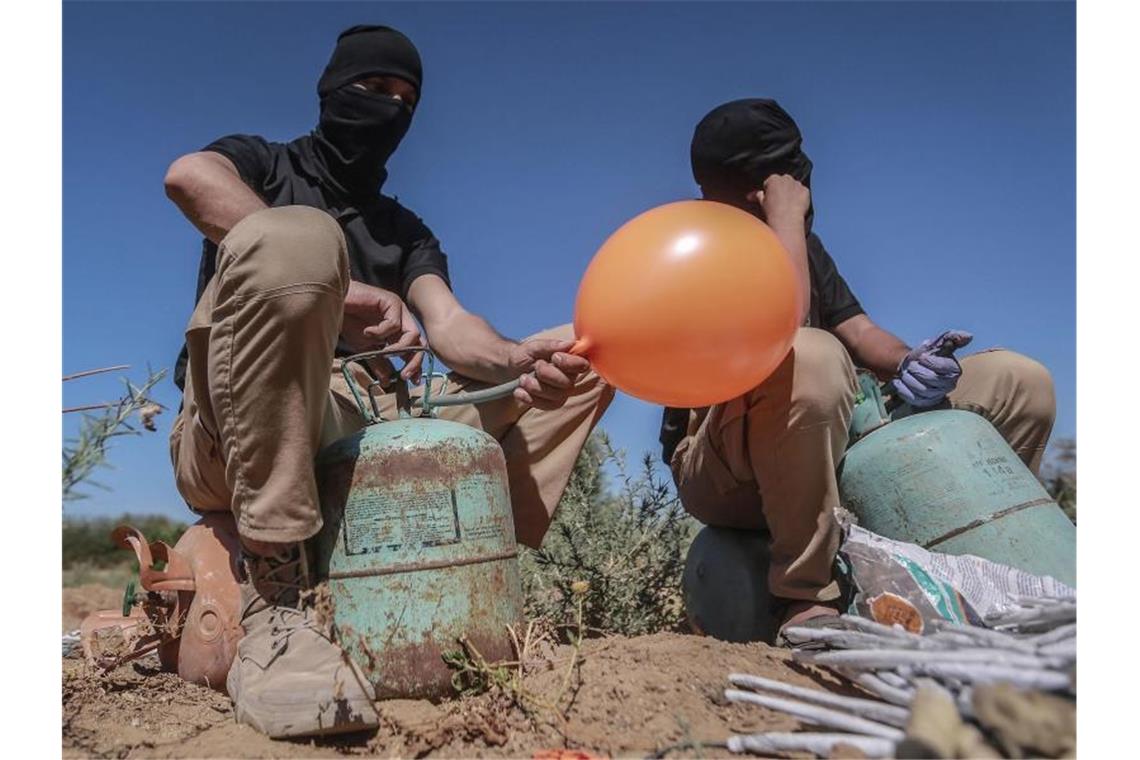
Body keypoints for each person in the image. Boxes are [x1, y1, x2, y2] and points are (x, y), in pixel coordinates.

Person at [163, 24, 613, 738]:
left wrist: (520, 360)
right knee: (299, 238)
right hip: (241, 429)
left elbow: (454, 327)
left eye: (407, 98)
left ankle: (468, 567)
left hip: (367, 431)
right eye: (374, 90)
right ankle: (276, 601)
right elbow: (188, 177)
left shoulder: (405, 231)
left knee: (588, 366)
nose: (391, 109)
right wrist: (336, 293)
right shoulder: (264, 165)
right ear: (333, 91)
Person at [660, 98, 1056, 638]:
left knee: (1018, 380)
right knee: (809, 355)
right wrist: (783, 221)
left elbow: (862, 333)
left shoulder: (804, 246)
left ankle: (997, 554)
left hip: (828, 435)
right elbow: (785, 330)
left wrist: (912, 362)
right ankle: (803, 597)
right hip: (722, 463)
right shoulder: (693, 250)